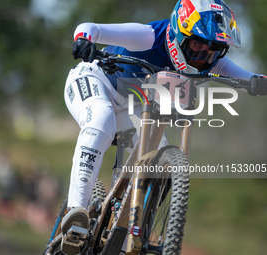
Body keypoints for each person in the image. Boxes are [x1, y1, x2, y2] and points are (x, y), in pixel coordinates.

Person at [61, 0, 267, 254]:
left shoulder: (212, 62)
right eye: (198, 45)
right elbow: (89, 27)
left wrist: (259, 83)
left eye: (214, 50)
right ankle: (74, 215)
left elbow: (251, 78)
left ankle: (130, 228)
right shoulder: (150, 37)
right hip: (94, 79)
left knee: (158, 156)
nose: (204, 56)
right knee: (101, 118)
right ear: (180, 34)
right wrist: (84, 40)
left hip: (132, 105)